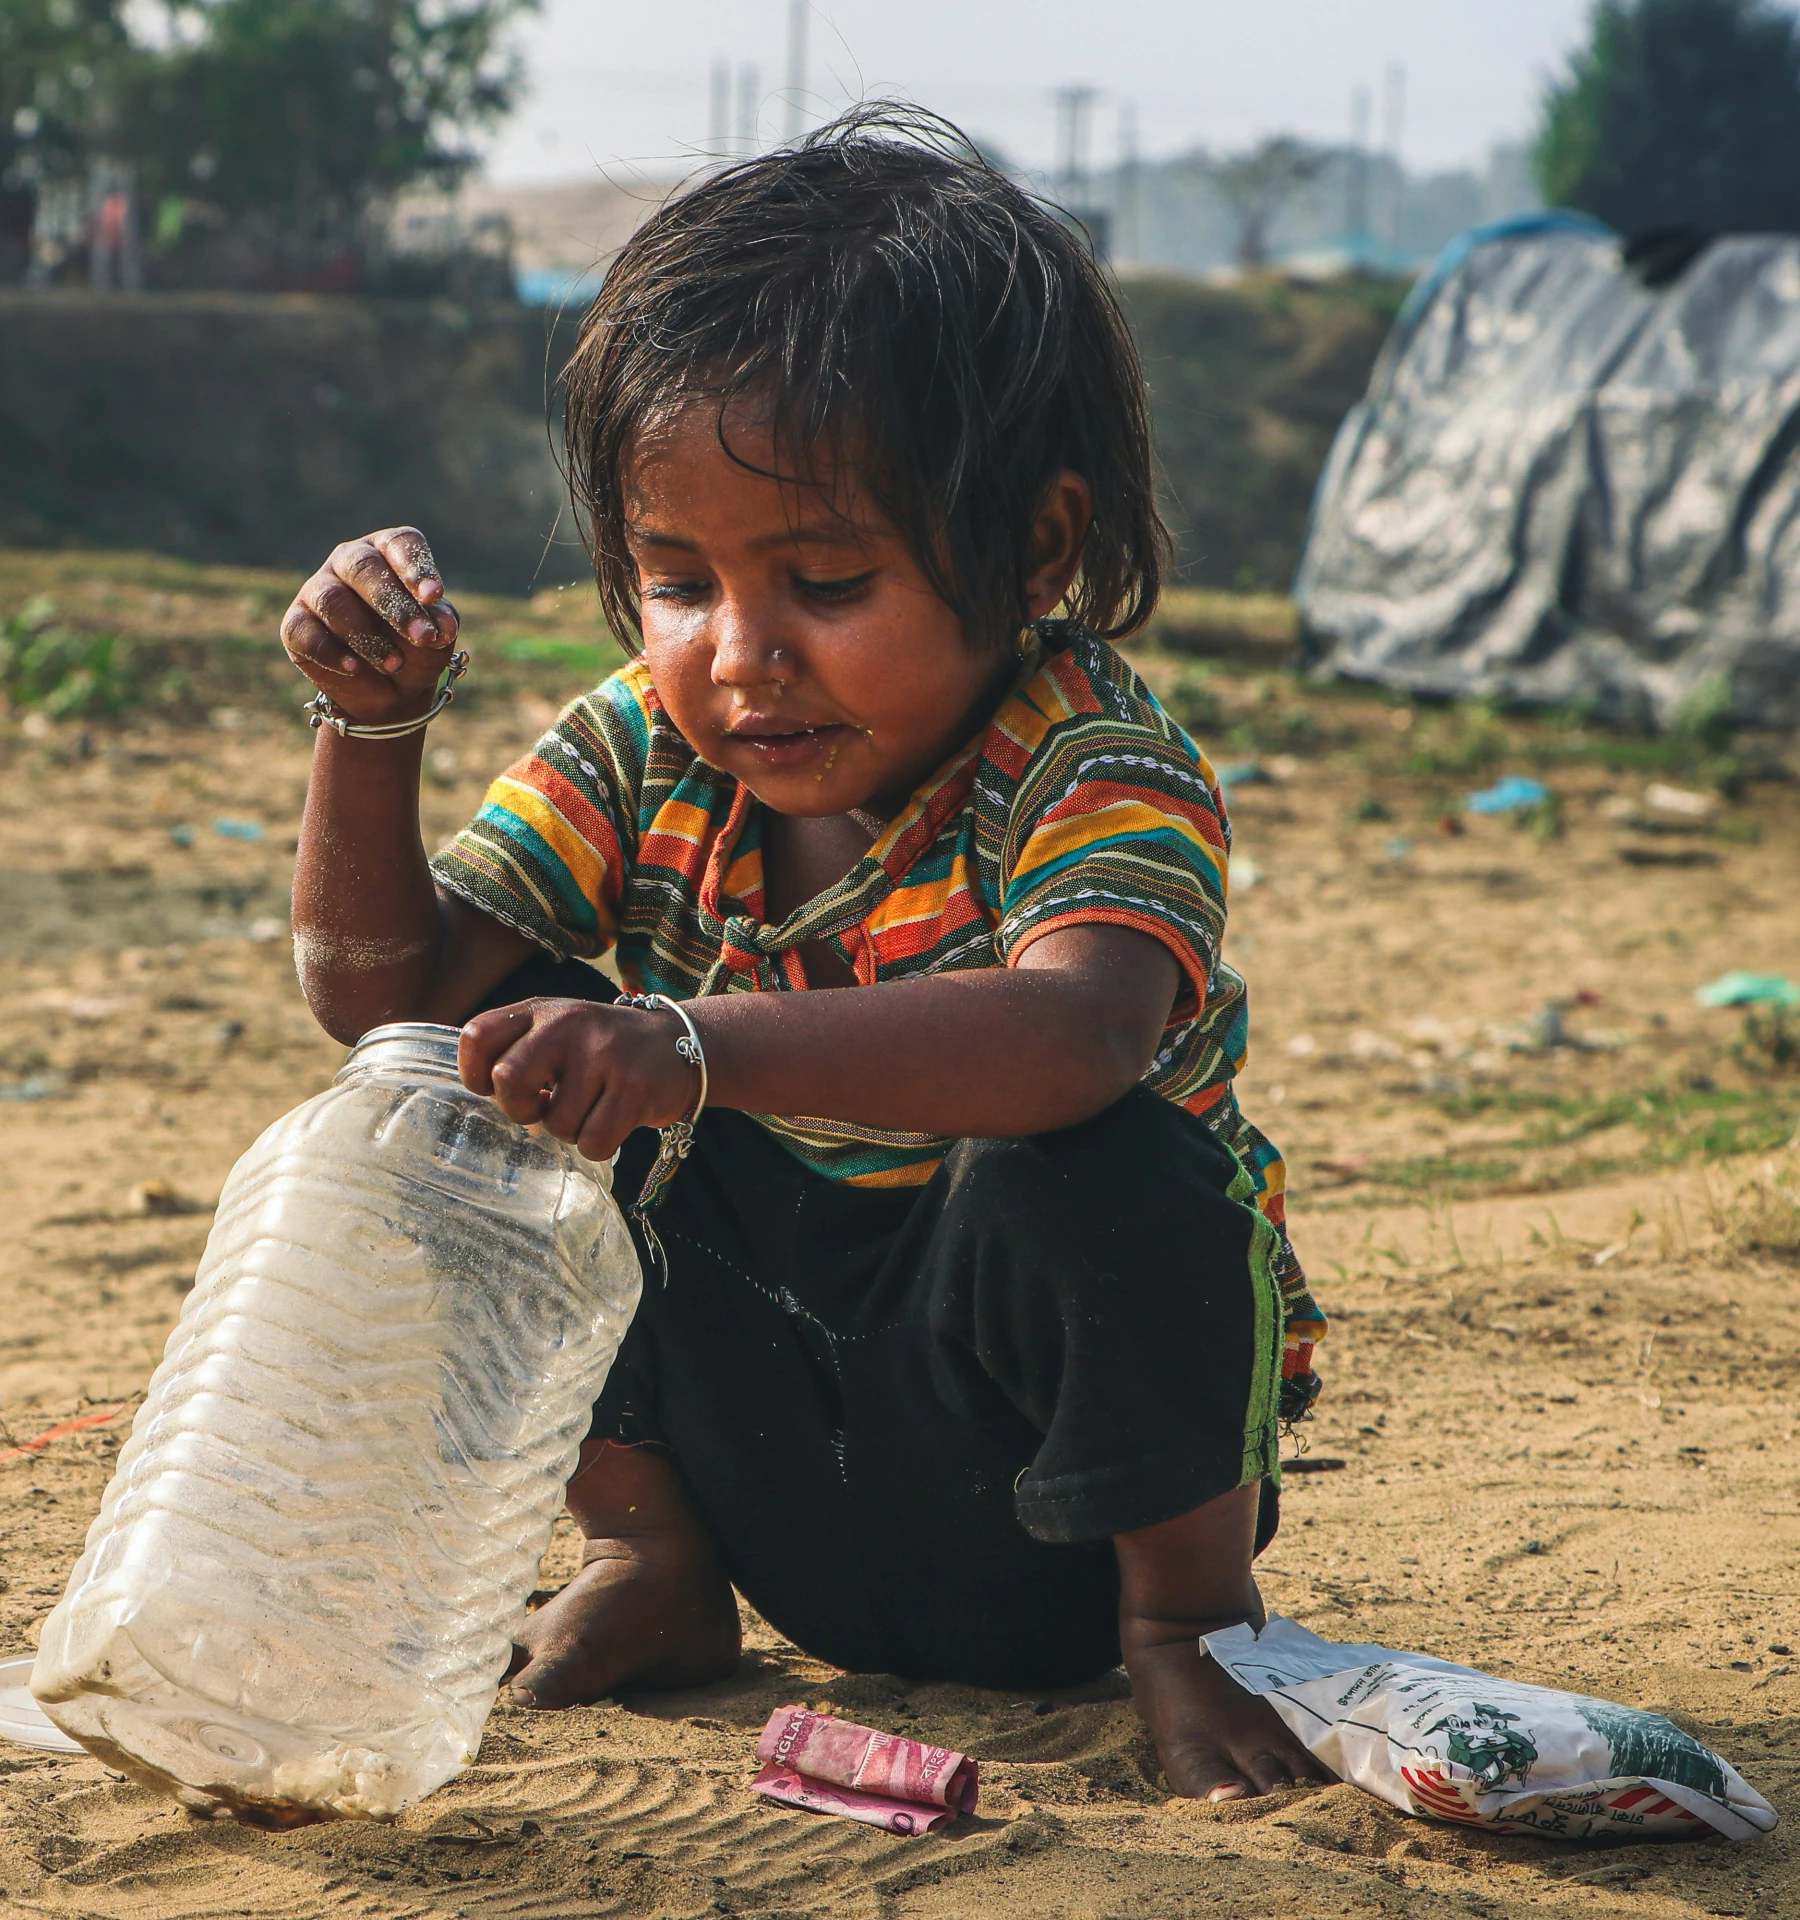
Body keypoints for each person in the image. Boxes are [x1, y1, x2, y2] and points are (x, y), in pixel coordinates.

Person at [280, 108, 1329, 1802]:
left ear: (1037, 549)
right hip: (782, 1474)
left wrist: (693, 1044)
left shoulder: (1087, 762)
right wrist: (366, 728)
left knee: (1107, 1174)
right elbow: (384, 998)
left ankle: (1198, 1634)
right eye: (678, 583)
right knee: (492, 1094)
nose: (740, 658)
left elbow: (1079, 1035)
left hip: (1067, 1513)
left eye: (826, 579)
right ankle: (652, 1560)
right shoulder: (647, 751)